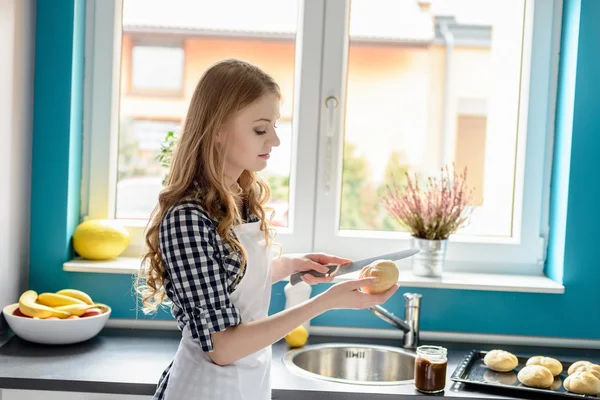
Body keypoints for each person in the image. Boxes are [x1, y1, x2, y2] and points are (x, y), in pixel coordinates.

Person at [137, 59, 399, 400]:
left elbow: (229, 282)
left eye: (274, 126)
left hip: (250, 384)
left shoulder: (239, 197)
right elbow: (223, 347)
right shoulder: (187, 218)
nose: (274, 139)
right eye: (261, 129)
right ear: (216, 130)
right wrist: (323, 304)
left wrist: (291, 265)